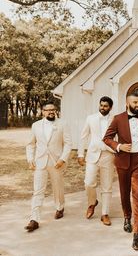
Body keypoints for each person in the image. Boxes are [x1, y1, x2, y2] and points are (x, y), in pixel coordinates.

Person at [103, 92, 138, 251]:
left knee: (137, 194)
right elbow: (107, 138)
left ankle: (137, 233)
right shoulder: (118, 119)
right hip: (123, 160)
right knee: (124, 192)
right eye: (135, 102)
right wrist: (119, 146)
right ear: (127, 103)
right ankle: (127, 217)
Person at [24, 102, 72, 232]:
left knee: (58, 188)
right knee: (38, 190)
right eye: (48, 110)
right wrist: (30, 159)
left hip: (57, 162)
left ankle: (60, 207)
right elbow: (31, 144)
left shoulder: (63, 124)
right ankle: (34, 219)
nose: (51, 112)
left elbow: (68, 144)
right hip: (40, 162)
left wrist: (62, 159)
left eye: (53, 109)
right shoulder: (36, 125)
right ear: (43, 111)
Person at [78, 96, 115, 226]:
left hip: (109, 155)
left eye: (105, 106)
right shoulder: (91, 118)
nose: (102, 108)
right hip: (93, 155)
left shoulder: (115, 119)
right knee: (88, 183)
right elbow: (83, 136)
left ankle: (105, 213)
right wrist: (80, 154)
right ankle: (92, 202)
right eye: (101, 105)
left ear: (110, 107)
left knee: (107, 186)